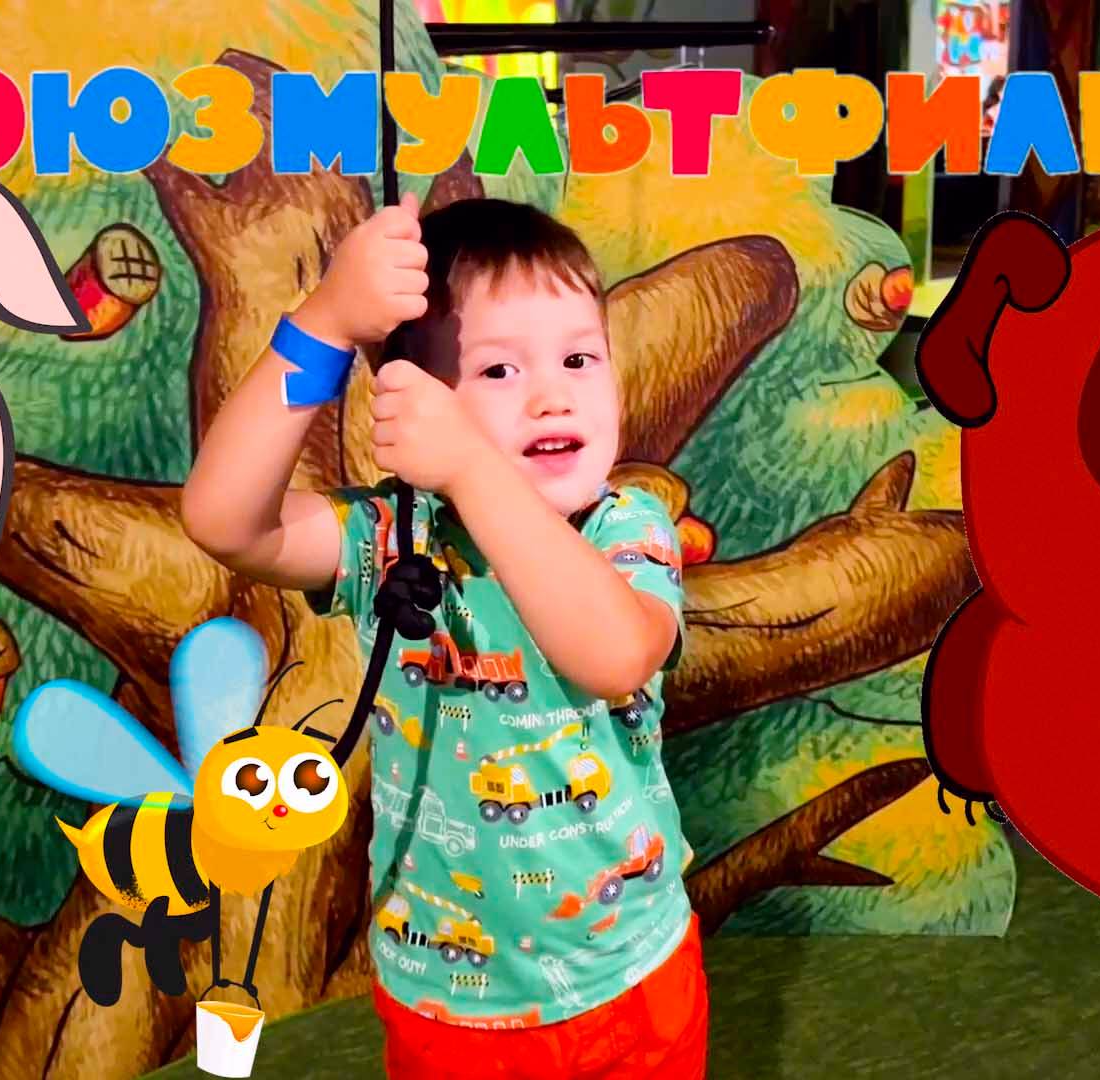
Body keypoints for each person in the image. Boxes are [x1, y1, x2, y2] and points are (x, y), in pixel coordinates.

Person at [182, 192, 708, 1078]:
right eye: (497, 370)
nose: (552, 395)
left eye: (579, 358)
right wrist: (326, 324)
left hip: (628, 978)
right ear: (414, 403)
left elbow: (615, 655)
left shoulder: (627, 526)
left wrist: (471, 464)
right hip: (447, 997)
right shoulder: (392, 537)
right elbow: (223, 519)